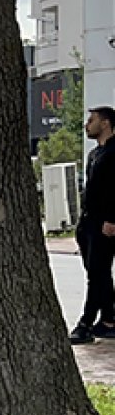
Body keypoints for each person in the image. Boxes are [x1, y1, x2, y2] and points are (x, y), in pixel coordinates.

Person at [69, 106, 115, 345]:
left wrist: (111, 219)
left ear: (106, 123)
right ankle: (109, 319)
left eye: (92, 120)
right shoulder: (95, 154)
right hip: (89, 221)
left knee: (97, 274)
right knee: (98, 272)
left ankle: (85, 323)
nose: (87, 124)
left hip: (105, 224)